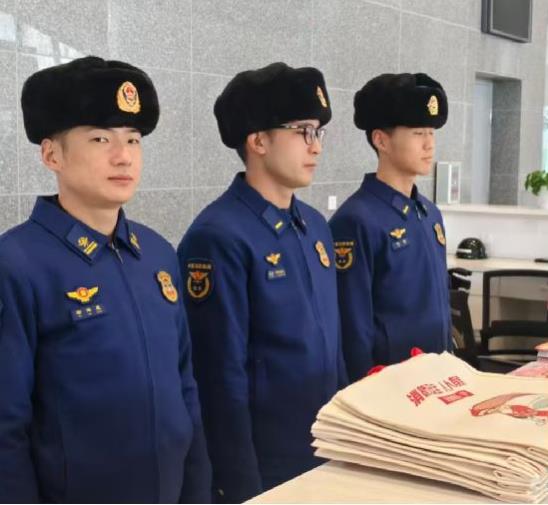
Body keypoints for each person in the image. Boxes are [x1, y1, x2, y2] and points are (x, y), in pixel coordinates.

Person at [0, 56, 211, 503]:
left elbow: (185, 389)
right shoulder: (16, 264)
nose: (123, 156)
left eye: (133, 139)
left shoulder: (156, 254)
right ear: (51, 154)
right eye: (100, 139)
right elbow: (5, 429)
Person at [177, 62, 347, 503]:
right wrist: (239, 485)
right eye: (302, 131)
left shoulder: (314, 226)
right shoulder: (218, 236)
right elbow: (218, 377)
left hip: (325, 446)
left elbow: (334, 346)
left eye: (319, 132)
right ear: (258, 141)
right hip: (267, 461)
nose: (315, 146)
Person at [329, 72, 452, 383]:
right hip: (390, 385)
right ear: (381, 140)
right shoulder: (355, 220)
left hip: (436, 378)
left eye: (431, 133)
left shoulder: (429, 213)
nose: (429, 144)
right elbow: (353, 329)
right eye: (417, 133)